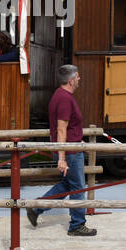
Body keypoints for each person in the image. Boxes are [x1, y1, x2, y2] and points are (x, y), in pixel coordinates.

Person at [27, 65, 95, 236]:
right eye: (78, 77)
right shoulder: (65, 99)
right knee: (78, 188)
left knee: (67, 185)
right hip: (69, 153)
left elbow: (68, 128)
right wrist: (62, 158)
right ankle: (77, 225)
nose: (80, 79)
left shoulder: (59, 95)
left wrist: (77, 137)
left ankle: (36, 208)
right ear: (71, 80)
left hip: (70, 147)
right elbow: (61, 130)